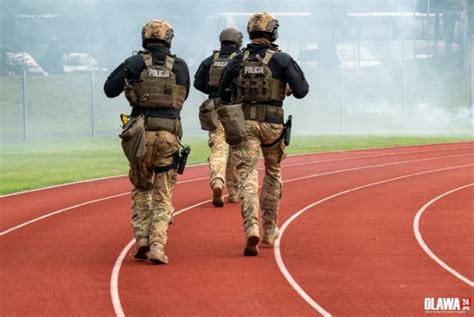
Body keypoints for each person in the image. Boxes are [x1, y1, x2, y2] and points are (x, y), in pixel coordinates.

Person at [218, 12, 309, 256]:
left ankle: (251, 228)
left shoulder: (237, 60)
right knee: (272, 172)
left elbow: (223, 94)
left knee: (247, 174)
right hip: (273, 125)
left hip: (246, 124)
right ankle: (270, 229)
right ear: (273, 32)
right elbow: (302, 91)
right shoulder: (282, 59)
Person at [104, 19, 190, 264]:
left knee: (142, 187)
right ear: (168, 38)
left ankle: (142, 239)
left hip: (140, 135)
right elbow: (184, 94)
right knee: (163, 193)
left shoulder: (133, 63)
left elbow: (109, 89)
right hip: (169, 134)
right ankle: (157, 246)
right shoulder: (180, 66)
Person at [194, 27, 243, 207]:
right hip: (235, 109)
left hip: (214, 108)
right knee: (236, 150)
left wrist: (213, 91)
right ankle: (234, 192)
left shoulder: (210, 60)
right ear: (237, 42)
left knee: (218, 148)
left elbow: (198, 82)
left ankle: (217, 181)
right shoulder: (239, 60)